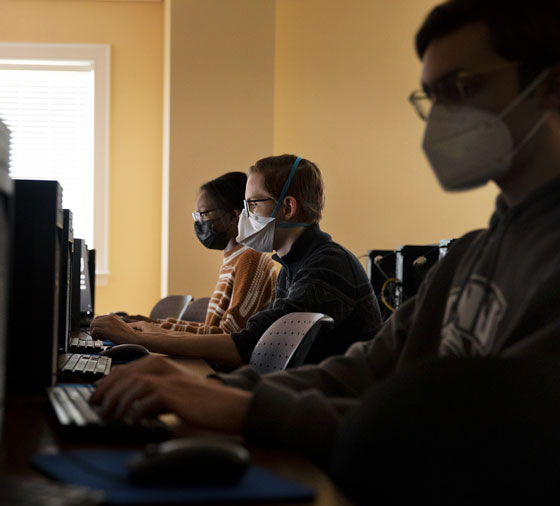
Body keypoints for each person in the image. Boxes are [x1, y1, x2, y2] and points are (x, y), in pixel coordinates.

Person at [91, 0, 560, 468]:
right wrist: (208, 390)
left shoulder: (541, 265)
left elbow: (469, 440)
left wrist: (246, 407)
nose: (442, 119)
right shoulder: (469, 258)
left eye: (462, 86)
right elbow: (365, 369)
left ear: (551, 84)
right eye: (433, 97)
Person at [91, 154, 382, 369]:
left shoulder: (328, 266)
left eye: (252, 204)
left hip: (327, 418)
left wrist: (140, 338)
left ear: (288, 207)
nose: (243, 216)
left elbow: (246, 344)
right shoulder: (292, 267)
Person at [132, 172, 277, 335]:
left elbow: (229, 335)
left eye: (205, 214)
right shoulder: (233, 260)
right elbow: (212, 329)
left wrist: (153, 329)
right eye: (197, 215)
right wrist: (149, 324)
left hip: (220, 359)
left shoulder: (251, 259)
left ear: (233, 215)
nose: (200, 222)